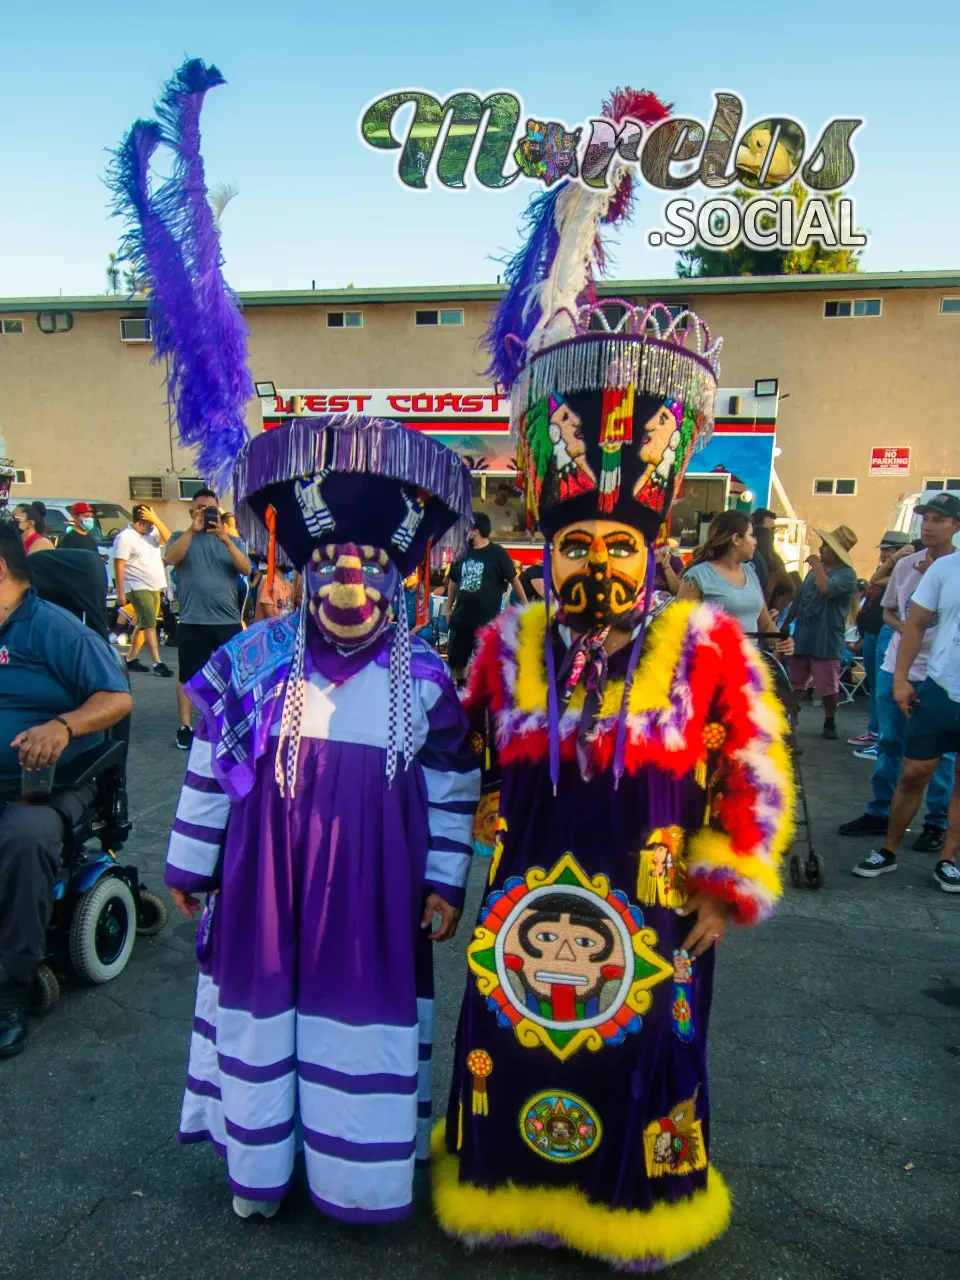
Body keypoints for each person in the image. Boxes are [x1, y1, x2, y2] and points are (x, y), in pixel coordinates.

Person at [433, 94, 793, 1272]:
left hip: (650, 904)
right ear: (548, 547)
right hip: (522, 892)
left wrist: (727, 882)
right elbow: (449, 752)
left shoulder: (706, 645)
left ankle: (631, 1208)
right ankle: (510, 1193)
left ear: (653, 552)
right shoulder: (503, 642)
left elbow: (755, 772)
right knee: (514, 1044)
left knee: (644, 1048)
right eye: (574, 546)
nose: (593, 562)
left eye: (616, 548)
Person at [164, 412, 480, 1219]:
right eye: (331, 563)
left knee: (355, 1027)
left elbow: (451, 785)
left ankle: (354, 1179)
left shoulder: (430, 678)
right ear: (300, 573)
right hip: (264, 884)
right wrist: (192, 863)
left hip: (374, 896)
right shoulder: (252, 660)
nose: (350, 581)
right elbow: (209, 766)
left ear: (401, 579)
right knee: (268, 1014)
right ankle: (264, 1171)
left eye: (372, 563)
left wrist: (445, 880)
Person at [0, 524, 132, 1057]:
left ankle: (9, 990)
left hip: (54, 782)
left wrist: (62, 726)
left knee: (24, 836)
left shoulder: (55, 630)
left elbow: (117, 699)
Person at [845, 494, 960, 857]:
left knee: (942, 758)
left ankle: (934, 823)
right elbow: (889, 611)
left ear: (954, 526)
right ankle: (880, 812)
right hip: (900, 664)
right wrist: (911, 630)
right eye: (924, 518)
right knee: (891, 744)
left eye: (938, 519)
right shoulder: (908, 565)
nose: (928, 525)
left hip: (941, 675)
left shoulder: (951, 567)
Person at [164, 489, 251, 749]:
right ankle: (185, 726)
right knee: (188, 676)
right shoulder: (180, 538)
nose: (205, 513)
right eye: (200, 508)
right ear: (192, 513)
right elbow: (170, 558)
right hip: (194, 621)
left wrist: (225, 539)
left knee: (230, 676)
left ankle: (228, 723)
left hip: (227, 622)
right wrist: (192, 530)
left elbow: (246, 568)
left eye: (211, 509)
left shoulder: (232, 541)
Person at [677, 511, 792, 654]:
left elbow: (766, 624)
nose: (756, 541)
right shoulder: (698, 575)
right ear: (736, 539)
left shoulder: (750, 572)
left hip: (749, 668)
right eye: (751, 535)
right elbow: (679, 629)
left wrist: (782, 641)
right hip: (712, 667)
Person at [788, 525, 859, 740]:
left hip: (826, 639)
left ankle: (830, 721)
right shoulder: (814, 573)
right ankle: (789, 715)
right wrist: (787, 623)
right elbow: (799, 599)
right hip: (803, 635)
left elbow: (826, 588)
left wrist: (817, 566)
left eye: (825, 546)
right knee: (795, 680)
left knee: (827, 685)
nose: (820, 549)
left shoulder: (847, 575)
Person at [848, 532, 913, 757]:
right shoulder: (895, 570)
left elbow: (875, 579)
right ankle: (874, 731)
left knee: (883, 687)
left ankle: (881, 736)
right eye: (883, 550)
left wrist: (896, 561)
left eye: (889, 549)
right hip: (874, 633)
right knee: (876, 685)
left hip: (887, 633)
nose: (883, 554)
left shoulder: (905, 572)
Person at [446, 512, 527, 682]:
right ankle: (462, 690)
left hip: (487, 621)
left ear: (475, 530)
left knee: (487, 663)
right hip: (461, 619)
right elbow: (453, 582)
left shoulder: (497, 553)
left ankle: (482, 697)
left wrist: (526, 604)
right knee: (457, 662)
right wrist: (448, 608)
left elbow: (514, 579)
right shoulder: (461, 552)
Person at [113, 504, 174, 678]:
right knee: (149, 623)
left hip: (154, 585)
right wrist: (120, 593)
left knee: (144, 622)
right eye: (147, 523)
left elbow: (169, 539)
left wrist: (156, 520)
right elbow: (119, 565)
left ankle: (131, 659)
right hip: (137, 586)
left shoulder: (152, 532)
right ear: (138, 522)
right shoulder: (125, 538)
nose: (151, 527)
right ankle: (157, 662)